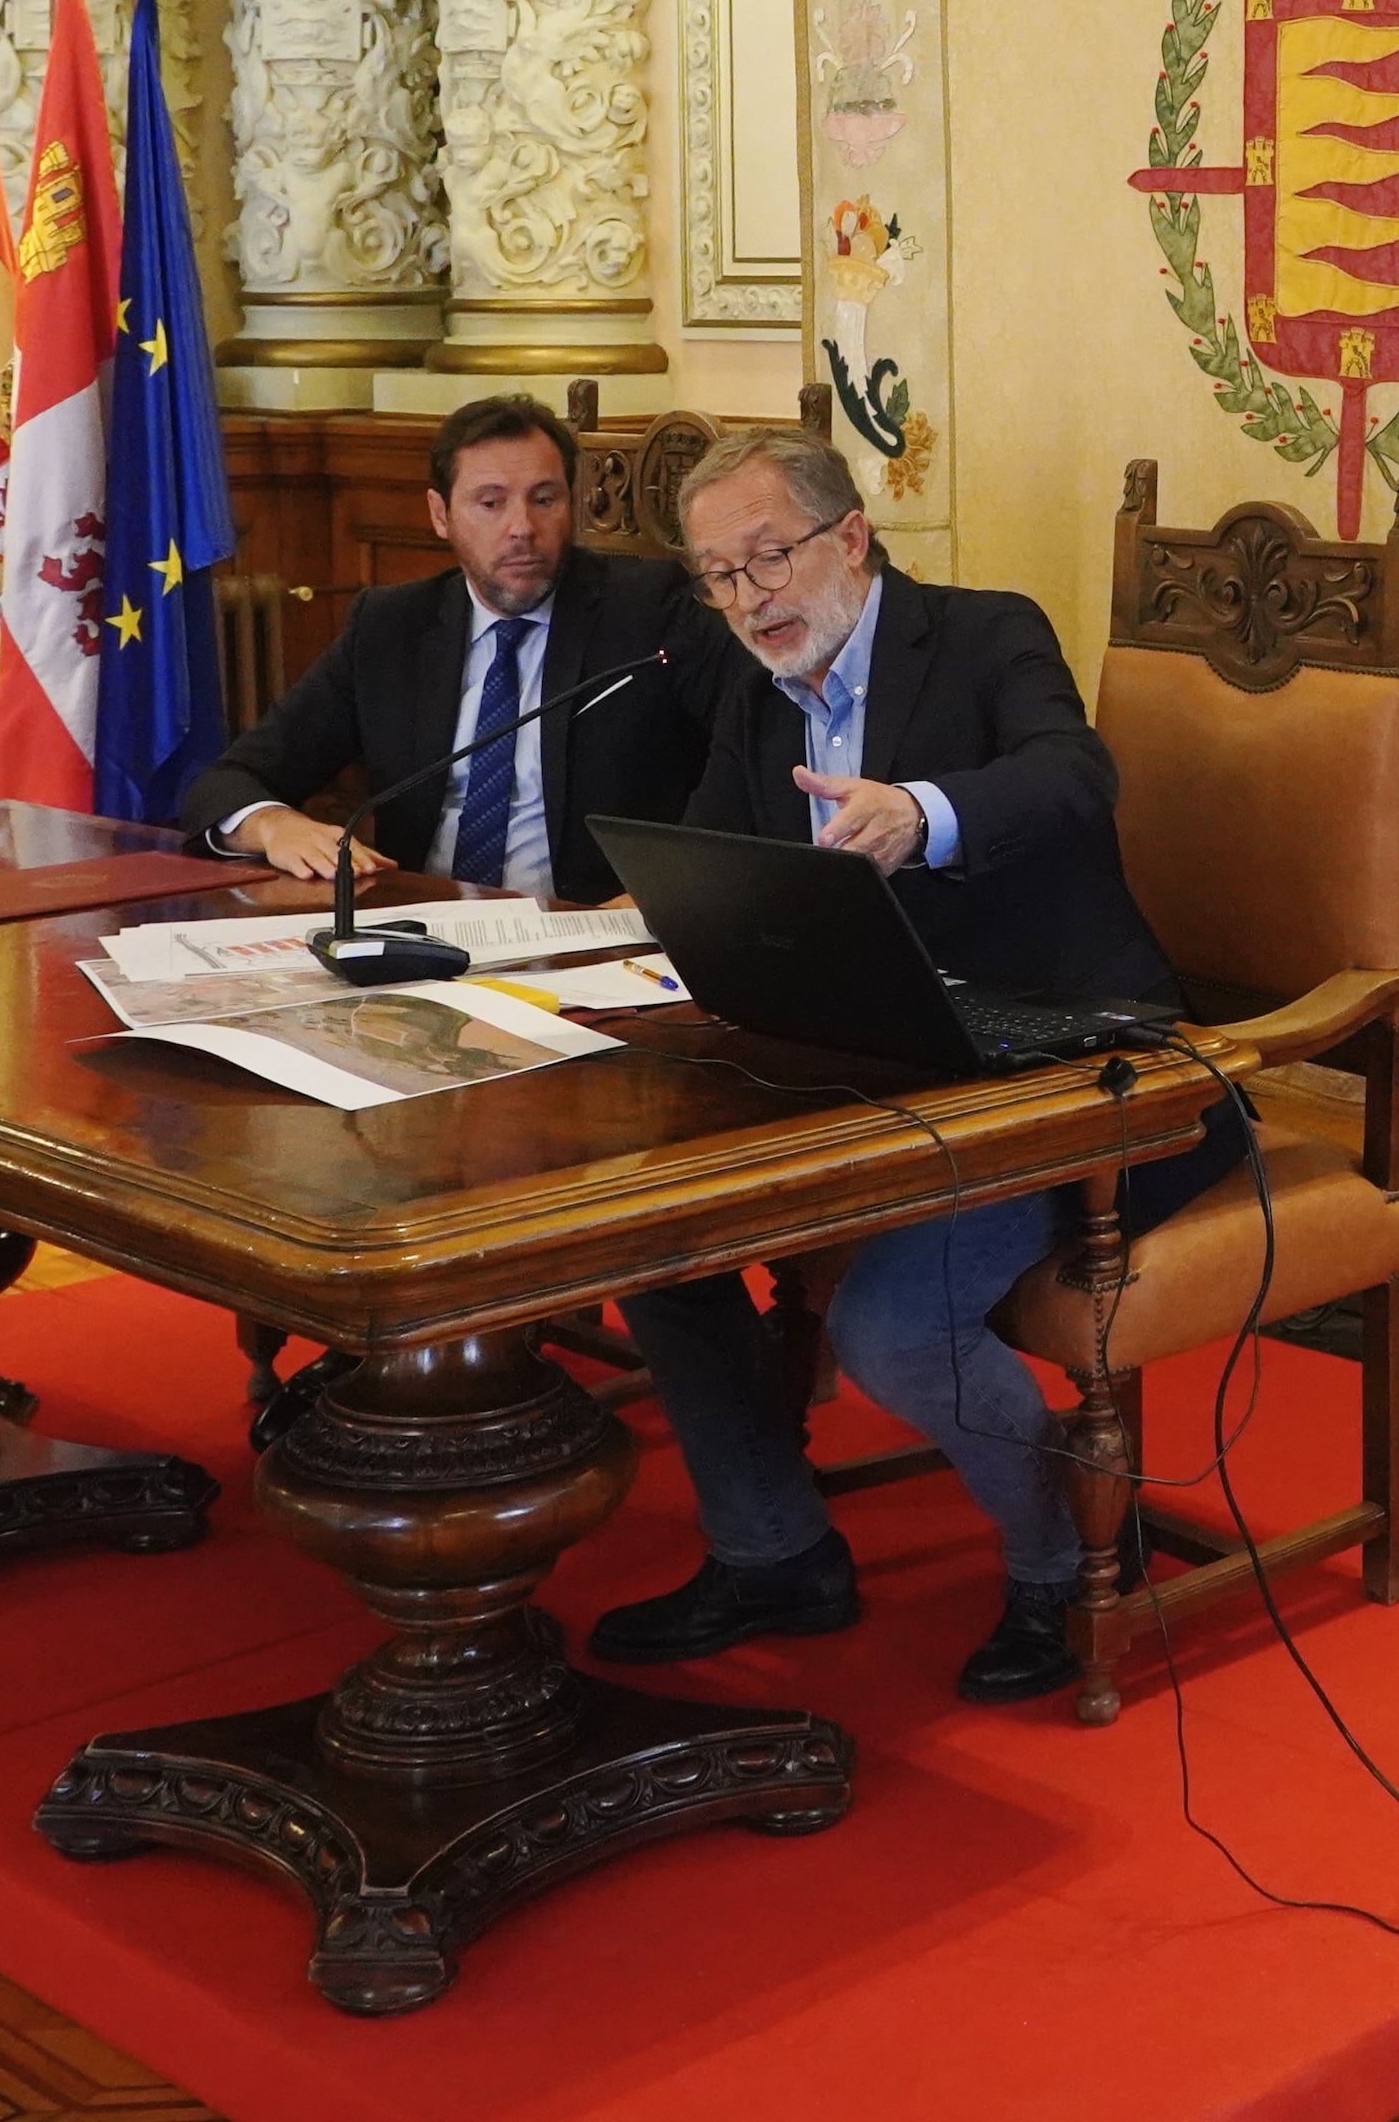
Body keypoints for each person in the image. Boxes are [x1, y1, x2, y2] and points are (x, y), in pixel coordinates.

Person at [590, 421, 1238, 1706]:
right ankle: (772, 1549)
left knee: (894, 1328)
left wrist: (923, 815)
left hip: (1063, 1066)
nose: (745, 601)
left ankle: (1060, 1562)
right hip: (863, 1062)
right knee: (645, 1244)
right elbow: (722, 858)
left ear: (849, 537)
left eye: (766, 561)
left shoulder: (987, 633)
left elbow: (1073, 773)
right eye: (717, 579)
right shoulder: (745, 688)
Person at [178, 395, 726, 905]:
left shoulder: (650, 611)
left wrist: (663, 893)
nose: (522, 528)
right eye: (490, 503)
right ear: (440, 514)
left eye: (545, 499)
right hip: (424, 932)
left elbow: (748, 767)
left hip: (589, 938)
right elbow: (227, 781)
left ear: (574, 504)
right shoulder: (391, 626)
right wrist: (274, 824)